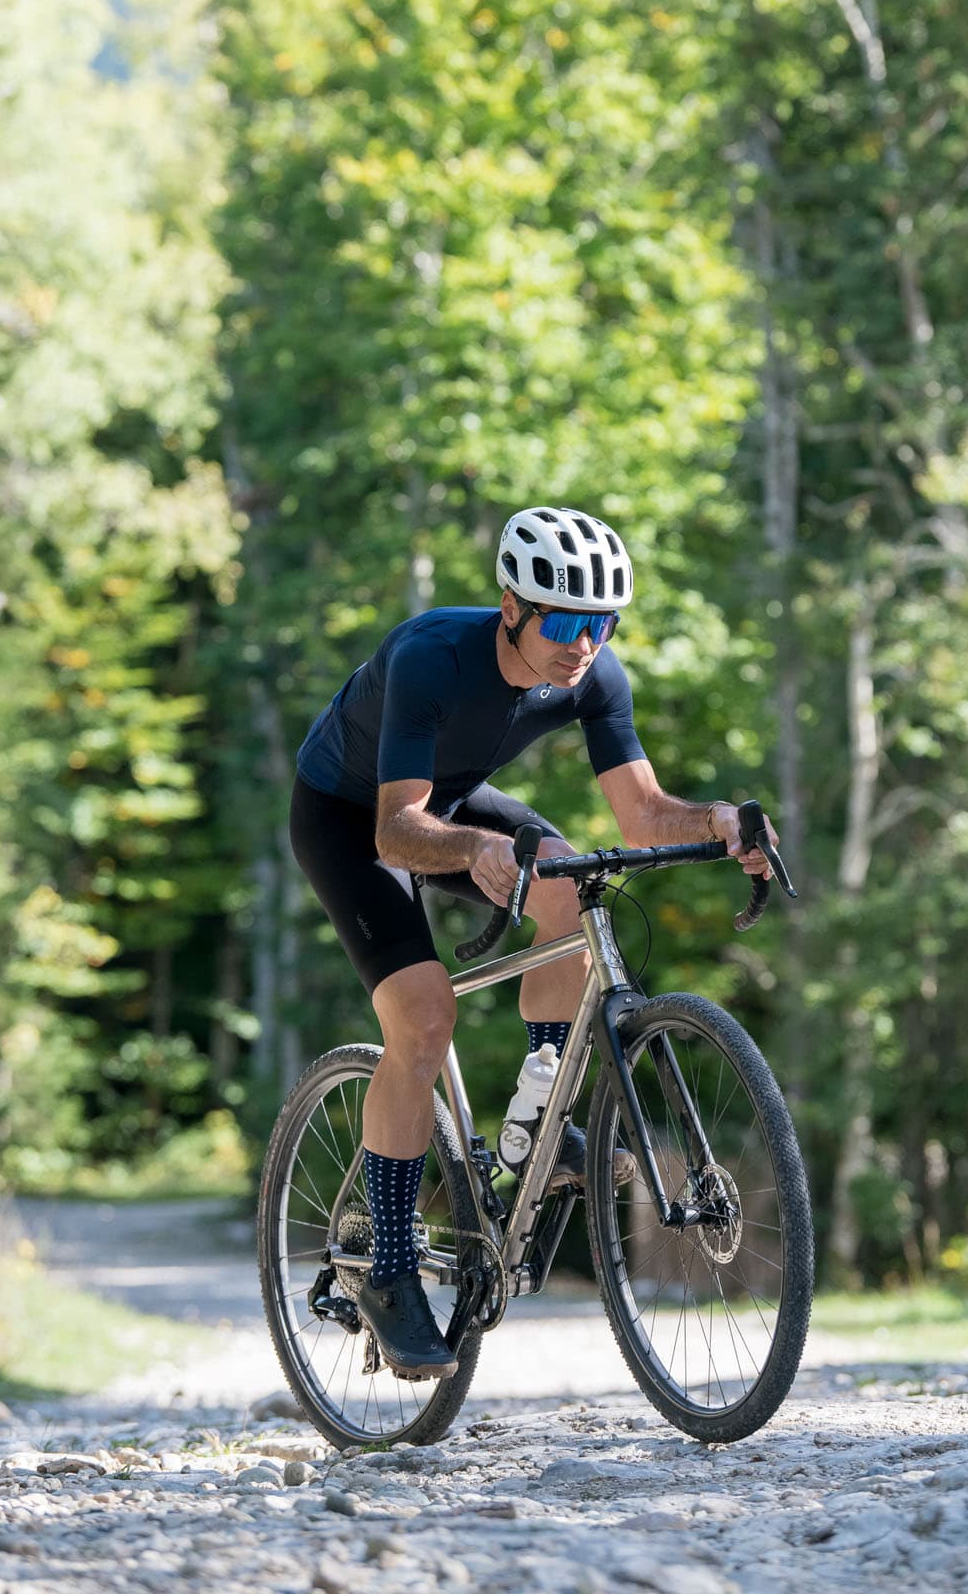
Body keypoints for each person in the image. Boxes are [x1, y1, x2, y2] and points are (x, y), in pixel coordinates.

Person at [289, 505, 776, 1379]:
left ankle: (534, 1125)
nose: (583, 643)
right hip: (349, 817)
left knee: (571, 878)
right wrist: (473, 848)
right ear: (512, 606)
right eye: (564, 620)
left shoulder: (592, 674)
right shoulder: (431, 654)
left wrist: (722, 820)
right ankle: (390, 1268)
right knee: (424, 1018)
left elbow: (643, 812)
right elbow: (397, 831)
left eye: (603, 623)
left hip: (451, 802)